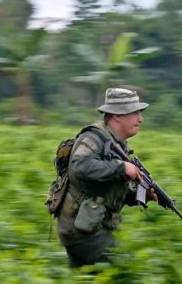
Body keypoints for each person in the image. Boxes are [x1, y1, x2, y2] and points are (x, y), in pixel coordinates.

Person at [56, 87, 154, 268]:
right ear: (118, 115)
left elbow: (109, 188)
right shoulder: (93, 138)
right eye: (135, 113)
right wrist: (122, 167)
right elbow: (80, 167)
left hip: (89, 225)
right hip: (81, 229)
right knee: (122, 271)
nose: (141, 119)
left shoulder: (117, 143)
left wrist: (139, 196)